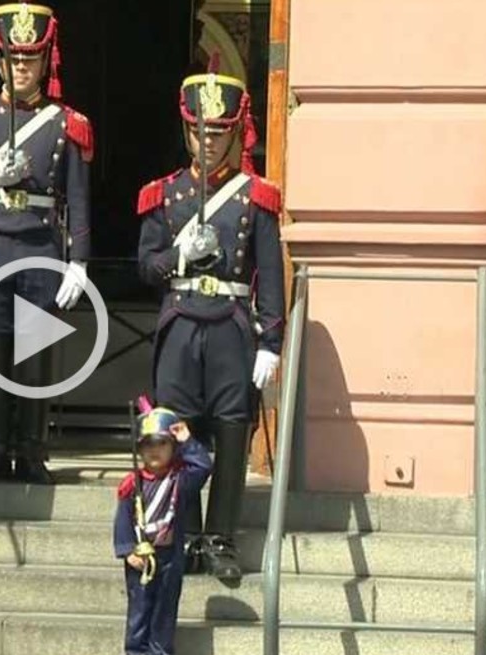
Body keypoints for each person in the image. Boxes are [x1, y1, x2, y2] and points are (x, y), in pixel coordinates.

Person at [136, 56, 285, 580]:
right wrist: (178, 257)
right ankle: (187, 536)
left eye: (220, 133)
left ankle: (220, 538)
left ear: (235, 133)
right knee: (180, 436)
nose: (209, 142)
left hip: (229, 327)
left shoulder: (255, 198)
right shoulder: (165, 193)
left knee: (229, 434)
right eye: (201, 132)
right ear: (186, 129)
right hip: (180, 324)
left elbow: (270, 271)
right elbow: (145, 267)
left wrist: (272, 341)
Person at [0, 2, 94, 485]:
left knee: (35, 353)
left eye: (31, 60)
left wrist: (80, 261)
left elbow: (77, 195)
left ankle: (31, 451)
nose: (22, 69)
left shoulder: (64, 123)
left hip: (41, 246)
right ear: (0, 62)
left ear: (46, 60)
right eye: (14, 60)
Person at [115, 403, 212, 655]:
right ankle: (135, 651)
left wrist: (187, 440)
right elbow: (123, 521)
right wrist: (127, 551)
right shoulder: (131, 484)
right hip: (141, 557)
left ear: (173, 448)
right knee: (139, 610)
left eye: (162, 444)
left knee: (164, 612)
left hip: (169, 557)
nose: (155, 450)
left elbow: (203, 467)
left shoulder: (181, 480)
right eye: (148, 445)